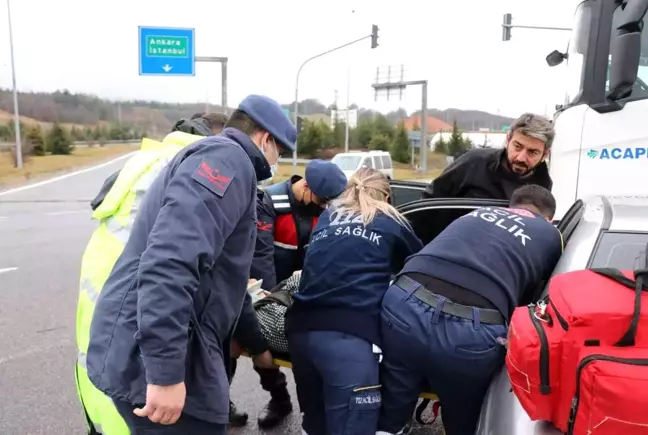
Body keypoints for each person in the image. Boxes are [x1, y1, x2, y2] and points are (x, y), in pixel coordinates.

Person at [85, 94, 296, 435]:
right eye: (280, 152)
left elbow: (225, 278)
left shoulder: (225, 161)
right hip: (162, 359)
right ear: (265, 139)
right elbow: (170, 261)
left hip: (175, 348)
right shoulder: (228, 161)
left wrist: (254, 342)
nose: (277, 163)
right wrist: (165, 373)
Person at [76, 117, 223, 435]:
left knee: (103, 395)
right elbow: (171, 268)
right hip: (133, 308)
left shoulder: (143, 162)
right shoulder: (197, 171)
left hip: (101, 301)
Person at [377, 185, 563, 435]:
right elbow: (541, 295)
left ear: (510, 207)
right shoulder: (550, 234)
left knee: (393, 407)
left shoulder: (477, 212)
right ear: (548, 218)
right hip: (471, 329)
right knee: (465, 421)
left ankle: (390, 428)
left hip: (403, 302)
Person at [285, 168, 424, 435]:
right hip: (349, 340)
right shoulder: (389, 219)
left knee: (315, 425)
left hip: (301, 332)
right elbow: (422, 266)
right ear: (386, 196)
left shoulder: (328, 217)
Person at [229, 159, 348, 429]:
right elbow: (262, 254)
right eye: (320, 199)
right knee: (255, 339)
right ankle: (279, 398)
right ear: (305, 186)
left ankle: (319, 409)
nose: (324, 206)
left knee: (311, 349)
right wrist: (271, 301)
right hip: (272, 283)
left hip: (308, 287)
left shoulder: (325, 207)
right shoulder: (270, 201)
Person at [422, 113, 554, 200]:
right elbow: (431, 200)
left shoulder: (543, 186)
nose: (521, 158)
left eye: (532, 152)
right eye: (517, 147)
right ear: (508, 140)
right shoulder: (474, 162)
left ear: (545, 155)